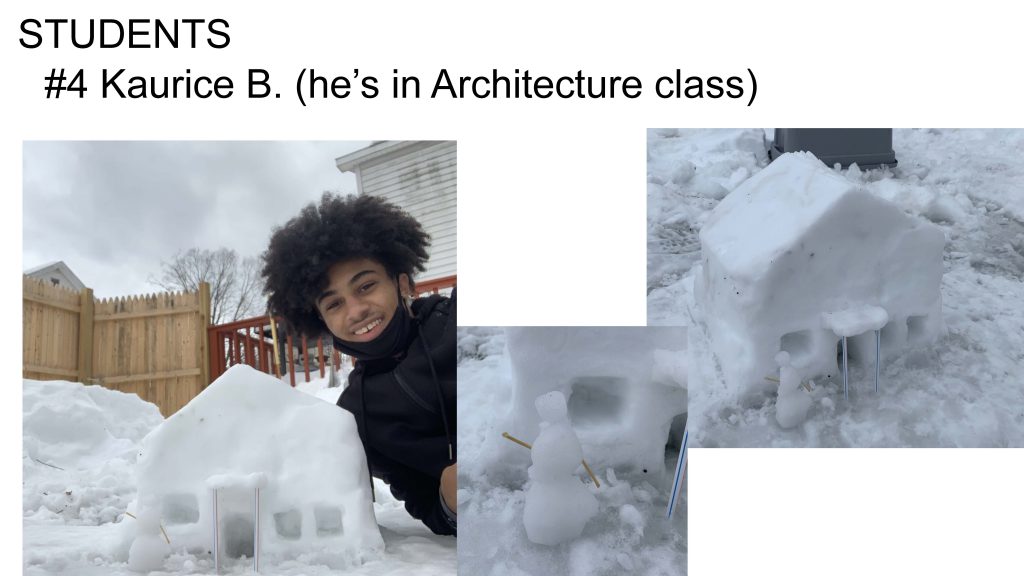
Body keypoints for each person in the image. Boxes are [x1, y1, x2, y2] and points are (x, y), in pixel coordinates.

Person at [262, 193, 456, 536]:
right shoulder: (356, 417)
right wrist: (449, 500)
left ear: (401, 282)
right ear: (321, 321)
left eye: (365, 286)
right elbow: (426, 505)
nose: (356, 311)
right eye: (334, 304)